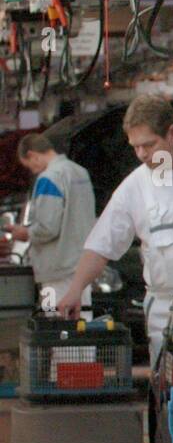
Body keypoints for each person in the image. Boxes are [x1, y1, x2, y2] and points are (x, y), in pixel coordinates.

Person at [55, 95, 173, 365]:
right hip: (164, 310)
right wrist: (75, 289)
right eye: (135, 147)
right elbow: (102, 245)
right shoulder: (134, 187)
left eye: (148, 145)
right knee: (166, 391)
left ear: (172, 133)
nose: (141, 155)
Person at [3, 133, 96, 314]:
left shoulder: (48, 178)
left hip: (56, 270)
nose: (33, 171)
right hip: (82, 267)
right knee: (83, 325)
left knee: (53, 327)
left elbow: (47, 227)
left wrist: (25, 233)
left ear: (32, 155)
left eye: (28, 166)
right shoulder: (79, 172)